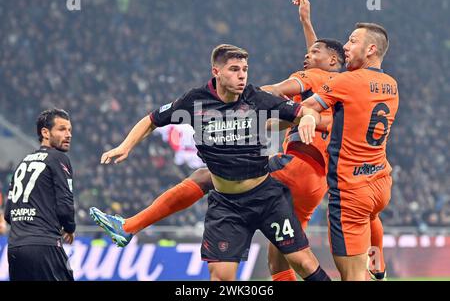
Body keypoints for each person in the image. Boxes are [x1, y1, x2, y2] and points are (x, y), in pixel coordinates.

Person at [91, 44, 331, 281]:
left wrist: (308, 118)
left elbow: (303, 112)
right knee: (222, 277)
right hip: (227, 206)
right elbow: (152, 119)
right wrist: (125, 146)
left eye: (245, 69)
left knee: (303, 262)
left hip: (267, 198)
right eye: (234, 69)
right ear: (216, 72)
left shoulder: (255, 97)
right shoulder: (195, 101)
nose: (241, 76)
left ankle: (129, 226)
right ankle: (129, 227)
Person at [298, 22, 399, 281]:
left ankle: (374, 269)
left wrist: (309, 117)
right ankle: (378, 266)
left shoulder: (348, 81)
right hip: (381, 182)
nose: (345, 46)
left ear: (371, 49)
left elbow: (308, 105)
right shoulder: (391, 85)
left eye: (353, 41)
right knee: (372, 215)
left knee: (352, 276)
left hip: (351, 189)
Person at [4, 108, 75, 281]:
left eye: (69, 130)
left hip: (15, 248)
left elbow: (8, 214)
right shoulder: (58, 158)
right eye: (62, 129)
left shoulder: (22, 162)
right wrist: (70, 227)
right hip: (44, 245)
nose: (68, 135)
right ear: (45, 132)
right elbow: (65, 205)